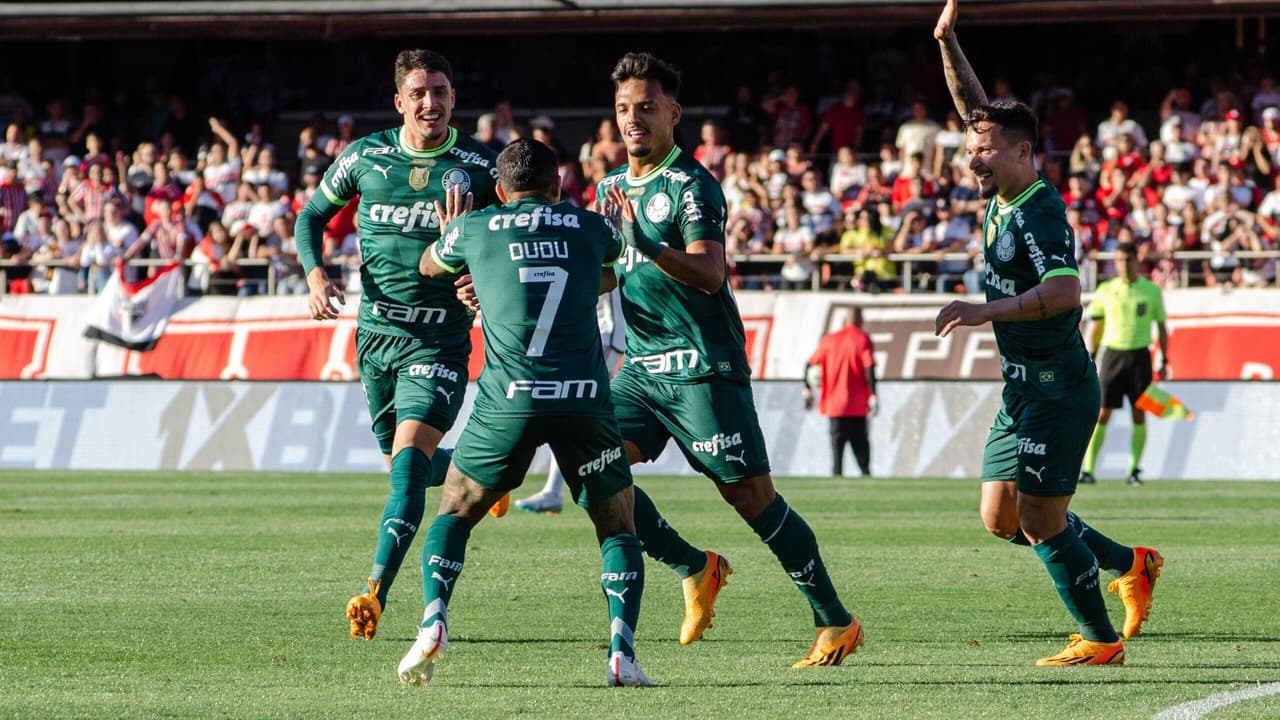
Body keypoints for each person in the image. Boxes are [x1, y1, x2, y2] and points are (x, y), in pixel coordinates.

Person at [600, 52, 863, 666]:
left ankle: (835, 619)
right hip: (641, 368)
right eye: (622, 109)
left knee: (751, 498)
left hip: (701, 364)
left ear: (673, 112)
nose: (632, 118)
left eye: (645, 107)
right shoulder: (611, 188)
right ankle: (694, 566)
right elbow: (608, 275)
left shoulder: (691, 184)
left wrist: (648, 243)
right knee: (596, 467)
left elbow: (711, 272)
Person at [932, 0, 1163, 666]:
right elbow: (976, 111)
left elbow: (1067, 292)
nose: (972, 155)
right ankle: (1130, 564)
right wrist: (949, 44)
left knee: (1038, 521)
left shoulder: (1039, 214)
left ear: (1022, 153)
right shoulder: (998, 189)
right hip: (1020, 388)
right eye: (972, 147)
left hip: (1059, 388)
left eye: (984, 149)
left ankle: (1100, 640)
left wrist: (985, 312)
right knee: (1000, 519)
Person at [401, 139, 651, 687]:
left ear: (499, 190)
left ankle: (434, 620)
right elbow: (610, 274)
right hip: (584, 397)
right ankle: (621, 653)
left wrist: (461, 244)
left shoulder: (476, 228)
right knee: (617, 526)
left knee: (455, 511)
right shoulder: (592, 228)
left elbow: (427, 266)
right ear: (559, 187)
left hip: (508, 399)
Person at [293, 49, 501, 643]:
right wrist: (314, 273)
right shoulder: (365, 157)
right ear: (399, 101)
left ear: (453, 97)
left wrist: (475, 280)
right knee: (402, 464)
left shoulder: (480, 167)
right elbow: (311, 216)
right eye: (418, 92)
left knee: (406, 474)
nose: (430, 102)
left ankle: (375, 590)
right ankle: (480, 473)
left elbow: (511, 239)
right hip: (376, 336)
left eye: (440, 90)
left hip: (438, 340)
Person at [515, 288, 626, 514]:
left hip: (607, 334)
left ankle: (556, 490)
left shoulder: (606, 253)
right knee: (578, 407)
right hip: (593, 334)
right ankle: (555, 490)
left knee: (572, 404)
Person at [1080, 242, 1169, 486]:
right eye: (1118, 260)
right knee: (1102, 413)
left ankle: (1133, 470)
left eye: (1127, 259)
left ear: (1136, 260)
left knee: (1139, 413)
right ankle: (1088, 469)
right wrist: (1090, 355)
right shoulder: (1106, 289)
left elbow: (1161, 326)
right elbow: (1096, 326)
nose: (1123, 264)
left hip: (1140, 356)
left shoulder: (1150, 290)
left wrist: (1164, 358)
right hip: (1113, 355)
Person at [803, 307, 877, 476]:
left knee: (837, 448)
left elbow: (809, 365)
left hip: (834, 405)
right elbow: (870, 368)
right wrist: (874, 394)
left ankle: (837, 476)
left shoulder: (829, 340)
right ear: (860, 320)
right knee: (861, 448)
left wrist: (807, 389)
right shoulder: (862, 339)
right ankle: (866, 476)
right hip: (857, 404)